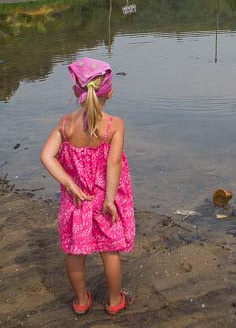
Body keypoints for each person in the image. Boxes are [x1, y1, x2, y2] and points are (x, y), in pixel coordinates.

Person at [40, 57, 135, 315]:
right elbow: (113, 163)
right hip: (104, 199)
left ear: (75, 91)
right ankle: (115, 301)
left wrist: (69, 183)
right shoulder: (114, 125)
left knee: (75, 253)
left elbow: (46, 156)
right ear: (110, 91)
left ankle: (81, 301)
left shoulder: (66, 124)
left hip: (77, 200)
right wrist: (109, 199)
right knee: (110, 252)